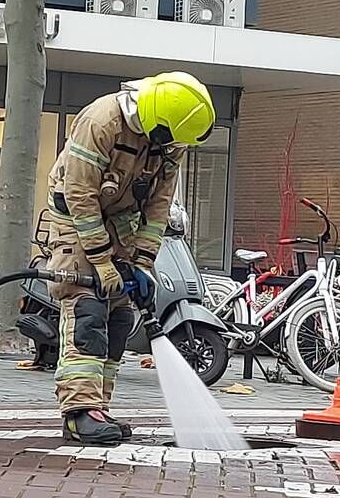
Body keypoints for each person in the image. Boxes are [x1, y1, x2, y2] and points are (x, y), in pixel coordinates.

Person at [45, 71, 216, 445]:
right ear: (155, 119)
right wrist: (103, 263)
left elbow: (158, 208)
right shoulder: (101, 121)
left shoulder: (172, 140)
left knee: (119, 315)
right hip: (76, 218)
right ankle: (78, 413)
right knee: (86, 306)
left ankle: (98, 408)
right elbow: (80, 195)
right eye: (168, 139)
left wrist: (141, 264)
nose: (171, 147)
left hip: (122, 220)